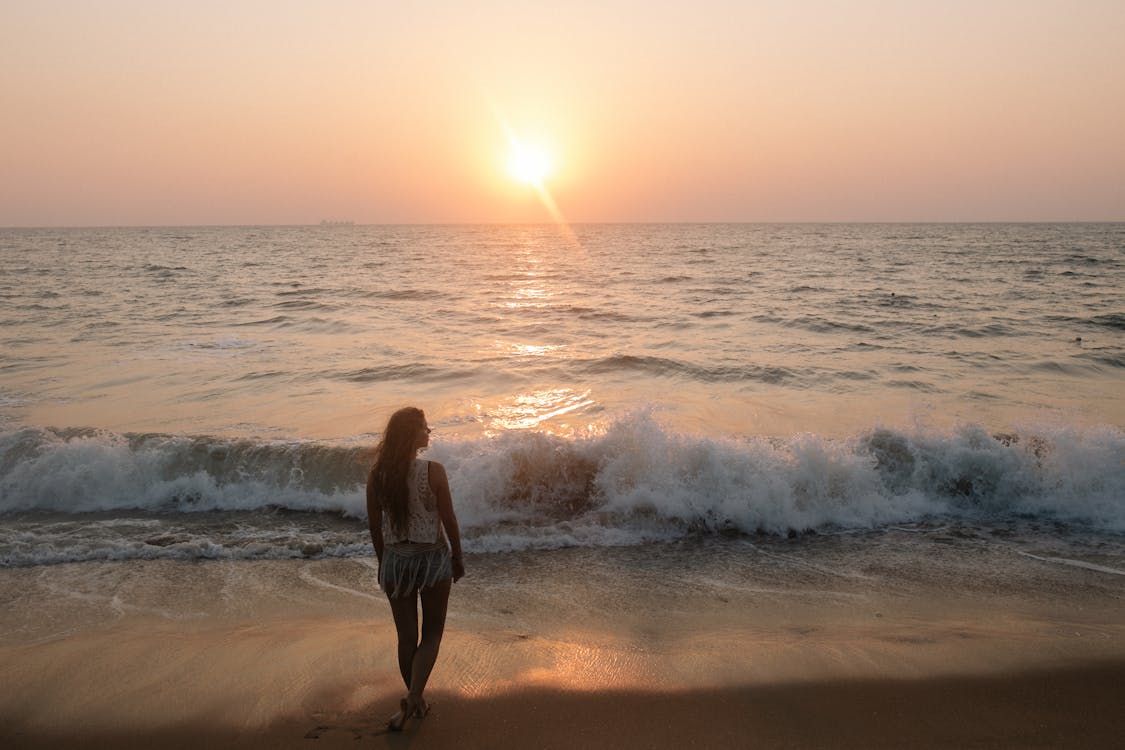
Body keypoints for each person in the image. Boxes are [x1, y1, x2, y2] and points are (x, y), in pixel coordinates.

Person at [366, 407, 465, 731]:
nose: (430, 431)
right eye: (425, 427)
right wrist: (458, 557)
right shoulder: (433, 471)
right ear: (412, 435)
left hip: (397, 560)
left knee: (406, 638)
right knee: (432, 634)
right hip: (432, 559)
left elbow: (375, 526)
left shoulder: (378, 475)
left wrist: (385, 562)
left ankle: (415, 701)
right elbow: (449, 520)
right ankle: (413, 699)